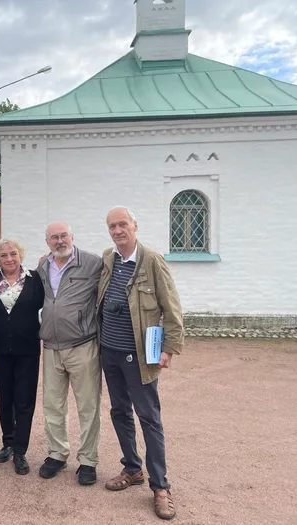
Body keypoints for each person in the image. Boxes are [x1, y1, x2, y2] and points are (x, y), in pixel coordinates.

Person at [97, 206, 183, 521]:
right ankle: (132, 469)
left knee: (149, 417)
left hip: (140, 355)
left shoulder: (152, 261)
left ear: (135, 226)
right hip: (109, 351)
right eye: (112, 226)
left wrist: (169, 348)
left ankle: (161, 487)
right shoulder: (109, 259)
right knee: (119, 411)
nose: (118, 230)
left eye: (122, 225)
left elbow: (171, 307)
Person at [36, 222, 103, 484]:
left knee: (88, 406)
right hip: (51, 348)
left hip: (82, 346)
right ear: (47, 242)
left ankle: (88, 460)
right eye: (54, 237)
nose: (60, 241)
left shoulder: (92, 263)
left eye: (64, 236)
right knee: (53, 405)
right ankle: (57, 454)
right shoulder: (43, 267)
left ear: (72, 237)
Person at [0, 238, 44, 475]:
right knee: (4, 398)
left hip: (27, 350)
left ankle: (20, 450)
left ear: (20, 255)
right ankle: (8, 442)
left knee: (24, 400)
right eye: (3, 255)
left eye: (13, 254)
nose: (9, 259)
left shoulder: (35, 280)